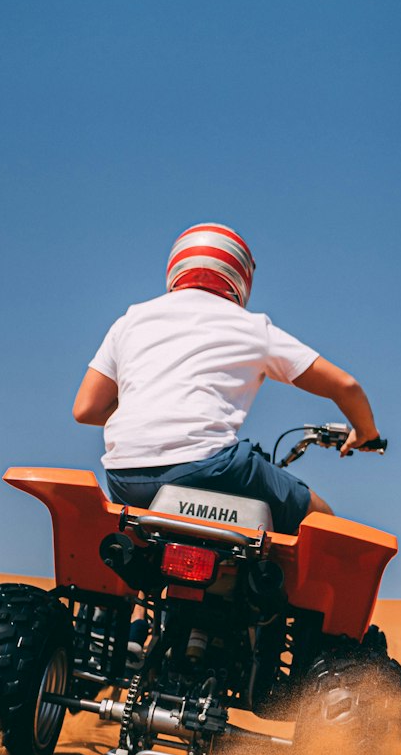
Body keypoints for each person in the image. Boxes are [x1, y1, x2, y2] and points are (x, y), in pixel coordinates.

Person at [72, 223, 383, 534]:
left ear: (175, 266)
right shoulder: (251, 327)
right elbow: (345, 386)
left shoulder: (131, 320)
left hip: (125, 478)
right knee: (321, 520)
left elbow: (86, 409)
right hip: (211, 468)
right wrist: (365, 433)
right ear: (241, 276)